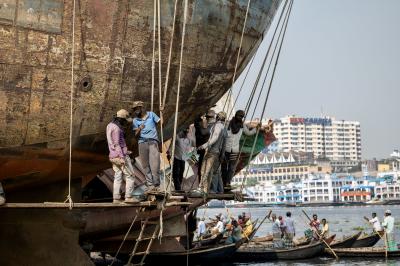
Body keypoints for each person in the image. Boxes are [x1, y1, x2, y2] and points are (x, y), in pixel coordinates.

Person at [106, 109, 138, 203]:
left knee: (118, 176)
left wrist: (126, 151)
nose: (126, 123)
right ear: (121, 119)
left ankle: (116, 198)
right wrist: (122, 156)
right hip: (120, 156)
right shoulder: (117, 129)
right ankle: (128, 197)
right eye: (124, 121)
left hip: (112, 155)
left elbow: (112, 144)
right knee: (130, 175)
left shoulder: (109, 126)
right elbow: (116, 144)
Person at [221, 110, 256, 191]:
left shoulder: (242, 125)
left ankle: (227, 183)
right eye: (239, 116)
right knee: (224, 167)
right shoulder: (227, 124)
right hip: (226, 149)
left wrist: (255, 129)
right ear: (236, 115)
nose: (240, 118)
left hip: (234, 150)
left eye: (241, 117)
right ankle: (224, 183)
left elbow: (248, 133)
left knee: (231, 168)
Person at [132, 101, 162, 192]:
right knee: (145, 165)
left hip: (153, 142)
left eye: (136, 109)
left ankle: (157, 184)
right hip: (142, 143)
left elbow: (161, 122)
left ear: (141, 108)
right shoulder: (135, 120)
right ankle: (150, 185)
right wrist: (139, 128)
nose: (135, 111)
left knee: (155, 165)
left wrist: (161, 112)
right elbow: (135, 135)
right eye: (134, 109)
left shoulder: (151, 114)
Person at [196, 111, 227, 195]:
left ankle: (202, 189)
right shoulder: (224, 129)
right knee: (214, 172)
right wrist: (222, 155)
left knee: (205, 170)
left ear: (218, 118)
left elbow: (214, 138)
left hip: (211, 151)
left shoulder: (217, 126)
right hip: (217, 153)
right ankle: (218, 190)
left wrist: (204, 146)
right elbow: (224, 144)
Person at [168, 126, 196, 191]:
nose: (187, 132)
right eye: (185, 131)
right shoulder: (177, 136)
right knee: (176, 174)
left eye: (188, 130)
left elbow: (193, 146)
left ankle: (178, 188)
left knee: (181, 174)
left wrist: (192, 134)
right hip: (176, 157)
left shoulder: (189, 139)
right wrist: (169, 153)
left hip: (183, 158)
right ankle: (178, 189)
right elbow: (172, 145)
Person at [194, 110, 215, 183]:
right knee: (202, 169)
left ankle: (202, 185)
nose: (206, 119)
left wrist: (198, 122)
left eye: (207, 117)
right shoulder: (211, 126)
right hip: (203, 150)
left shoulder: (212, 126)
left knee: (203, 169)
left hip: (206, 151)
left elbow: (203, 132)